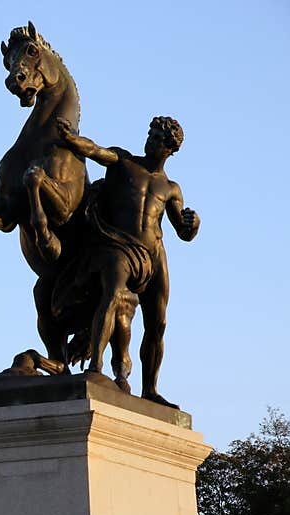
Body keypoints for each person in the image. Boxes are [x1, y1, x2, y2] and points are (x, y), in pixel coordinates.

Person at [55, 116, 200, 407]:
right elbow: (95, 150)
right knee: (112, 294)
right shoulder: (123, 162)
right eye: (151, 135)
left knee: (157, 323)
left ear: (169, 149)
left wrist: (192, 224)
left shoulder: (171, 188)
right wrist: (71, 139)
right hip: (119, 245)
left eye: (159, 139)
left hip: (154, 254)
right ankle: (96, 368)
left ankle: (150, 389)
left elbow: (182, 232)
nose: (151, 141)